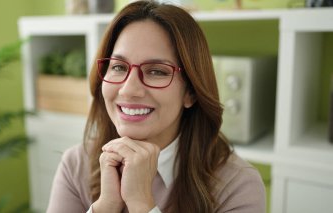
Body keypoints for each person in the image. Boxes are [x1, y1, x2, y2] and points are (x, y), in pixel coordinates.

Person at [47, 1, 266, 212]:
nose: (128, 89)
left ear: (191, 92)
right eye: (118, 67)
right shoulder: (76, 165)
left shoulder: (238, 186)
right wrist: (105, 208)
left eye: (157, 71)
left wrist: (142, 204)